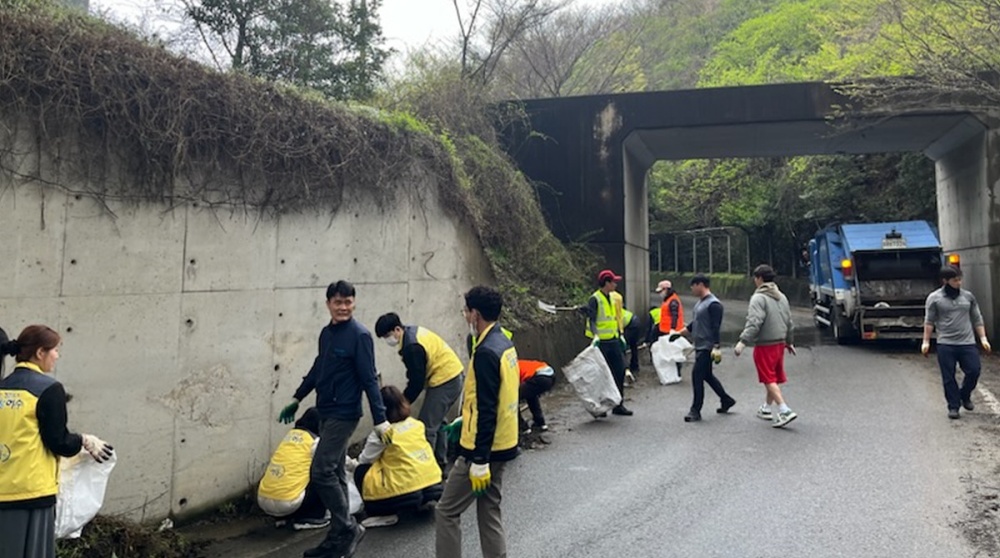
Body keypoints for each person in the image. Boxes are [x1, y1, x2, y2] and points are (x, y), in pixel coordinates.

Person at [277, 280, 390, 558]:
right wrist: (297, 396)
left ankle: (347, 527)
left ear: (354, 302)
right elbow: (319, 367)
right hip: (325, 411)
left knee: (321, 471)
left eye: (348, 301)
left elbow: (369, 379)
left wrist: (380, 418)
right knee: (337, 472)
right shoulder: (327, 334)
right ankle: (338, 536)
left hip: (345, 413)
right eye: (338, 302)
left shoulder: (360, 336)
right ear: (328, 303)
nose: (343, 307)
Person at [0, 325, 113, 558]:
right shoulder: (48, 389)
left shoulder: (2, 388)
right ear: (40, 353)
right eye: (55, 350)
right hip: (30, 493)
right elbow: (59, 442)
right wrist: (83, 440)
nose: (57, 356)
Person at [436, 286, 520, 558]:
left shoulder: (485, 352)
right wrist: (465, 418)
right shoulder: (504, 343)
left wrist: (479, 458)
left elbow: (487, 407)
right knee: (489, 508)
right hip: (504, 443)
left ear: (475, 314)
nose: (465, 316)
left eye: (466, 311)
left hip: (481, 450)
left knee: (446, 511)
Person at [374, 313, 464, 470]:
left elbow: (416, 382)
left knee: (427, 425)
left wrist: (401, 403)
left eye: (388, 335)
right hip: (451, 375)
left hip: (446, 380)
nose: (388, 340)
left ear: (397, 329)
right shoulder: (410, 334)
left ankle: (426, 470)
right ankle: (440, 462)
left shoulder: (412, 346)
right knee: (438, 420)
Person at [353, 386, 443, 529]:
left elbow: (365, 460)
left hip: (404, 492)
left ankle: (382, 513)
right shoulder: (416, 424)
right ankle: (422, 500)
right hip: (433, 484)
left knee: (361, 471)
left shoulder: (382, 433)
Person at [922, 266, 992, 419]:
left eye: (960, 279)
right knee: (948, 376)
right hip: (946, 343)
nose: (959, 283)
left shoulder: (968, 297)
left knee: (974, 370)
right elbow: (929, 321)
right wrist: (926, 341)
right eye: (955, 280)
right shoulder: (934, 298)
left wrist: (983, 338)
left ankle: (964, 394)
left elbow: (977, 318)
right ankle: (953, 406)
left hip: (967, 342)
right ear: (945, 281)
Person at [733, 265, 798, 428]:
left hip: (765, 344)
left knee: (768, 378)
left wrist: (743, 341)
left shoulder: (758, 298)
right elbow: (789, 322)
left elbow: (754, 322)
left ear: (759, 278)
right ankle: (766, 408)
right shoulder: (781, 297)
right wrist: (789, 342)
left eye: (755, 278)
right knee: (773, 376)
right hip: (780, 343)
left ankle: (784, 409)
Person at [671, 275, 736, 422]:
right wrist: (679, 334)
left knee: (697, 376)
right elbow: (695, 323)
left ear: (701, 285)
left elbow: (715, 327)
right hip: (700, 345)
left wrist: (716, 346)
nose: (692, 289)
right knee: (707, 376)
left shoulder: (714, 304)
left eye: (693, 286)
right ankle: (726, 399)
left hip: (707, 346)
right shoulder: (701, 303)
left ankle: (695, 410)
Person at [257, 407, 330, 530]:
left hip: (263, 499)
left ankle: (282, 519)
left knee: (290, 473)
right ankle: (311, 517)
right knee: (324, 475)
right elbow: (336, 462)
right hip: (288, 502)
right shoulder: (314, 441)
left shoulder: (289, 436)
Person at [582, 269, 633, 416]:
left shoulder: (611, 297)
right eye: (613, 282)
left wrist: (619, 335)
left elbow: (613, 318)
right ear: (606, 283)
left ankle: (618, 404)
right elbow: (591, 319)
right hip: (601, 344)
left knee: (620, 371)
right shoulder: (595, 299)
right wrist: (595, 336)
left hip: (613, 340)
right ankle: (600, 407)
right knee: (601, 375)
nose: (615, 284)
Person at [649, 279, 685, 378]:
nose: (660, 294)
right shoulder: (668, 300)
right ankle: (672, 373)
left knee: (674, 352)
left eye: (661, 291)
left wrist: (673, 329)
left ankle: (676, 372)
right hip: (665, 330)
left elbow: (675, 315)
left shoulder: (673, 300)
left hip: (671, 331)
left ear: (666, 289)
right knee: (669, 352)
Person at [517, 359, 556, 434]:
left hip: (540, 377)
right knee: (531, 395)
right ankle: (540, 422)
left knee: (512, 400)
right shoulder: (517, 363)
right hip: (550, 374)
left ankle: (523, 427)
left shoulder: (510, 370)